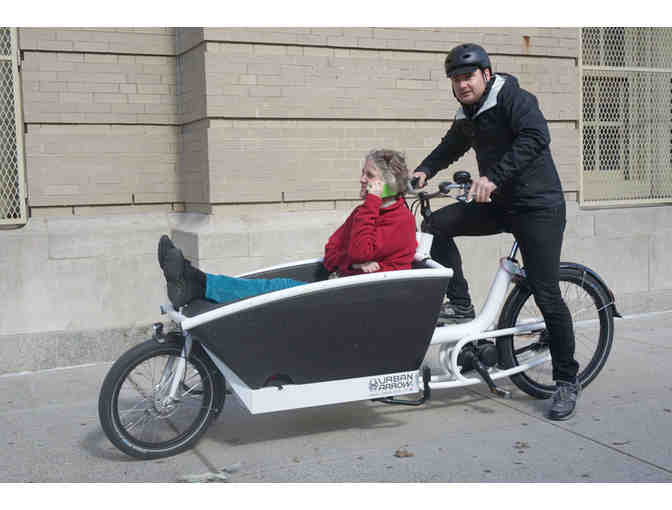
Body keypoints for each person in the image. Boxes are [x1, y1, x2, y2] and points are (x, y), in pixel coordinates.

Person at [411, 43, 580, 421]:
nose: (462, 84)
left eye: (468, 76)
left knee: (545, 291)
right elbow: (451, 145)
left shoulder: (514, 99)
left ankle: (567, 381)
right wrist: (425, 169)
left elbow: (535, 137)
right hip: (501, 205)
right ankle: (462, 305)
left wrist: (492, 177)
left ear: (486, 75)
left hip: (538, 207)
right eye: (455, 78)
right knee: (435, 225)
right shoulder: (469, 113)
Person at [159, 149, 417, 308]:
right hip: (343, 288)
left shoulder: (399, 220)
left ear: (388, 184)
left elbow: (360, 251)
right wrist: (353, 263)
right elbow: (332, 251)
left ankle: (197, 283)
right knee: (271, 286)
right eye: (363, 172)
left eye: (369, 175)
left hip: (364, 303)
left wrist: (356, 256)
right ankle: (197, 281)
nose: (361, 179)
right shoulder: (364, 212)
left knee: (274, 293)